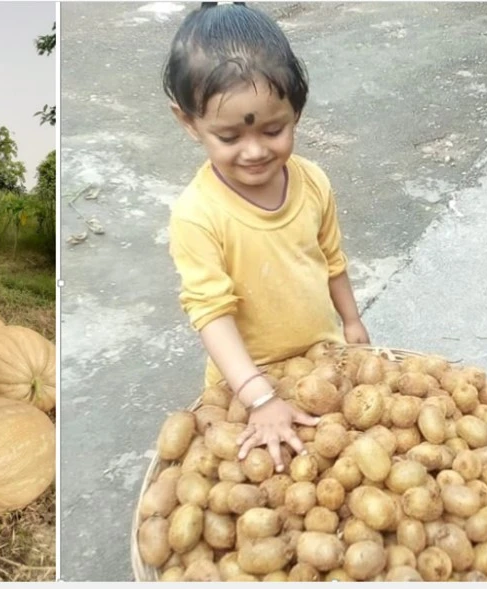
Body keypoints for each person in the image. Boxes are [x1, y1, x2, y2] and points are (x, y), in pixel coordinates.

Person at [164, 3, 370, 473]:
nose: (255, 151)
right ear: (188, 122)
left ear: (296, 109)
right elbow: (210, 312)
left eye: (274, 130)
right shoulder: (197, 215)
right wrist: (258, 396)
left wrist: (351, 321)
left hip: (322, 366)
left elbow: (331, 258)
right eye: (229, 137)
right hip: (245, 388)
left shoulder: (313, 181)